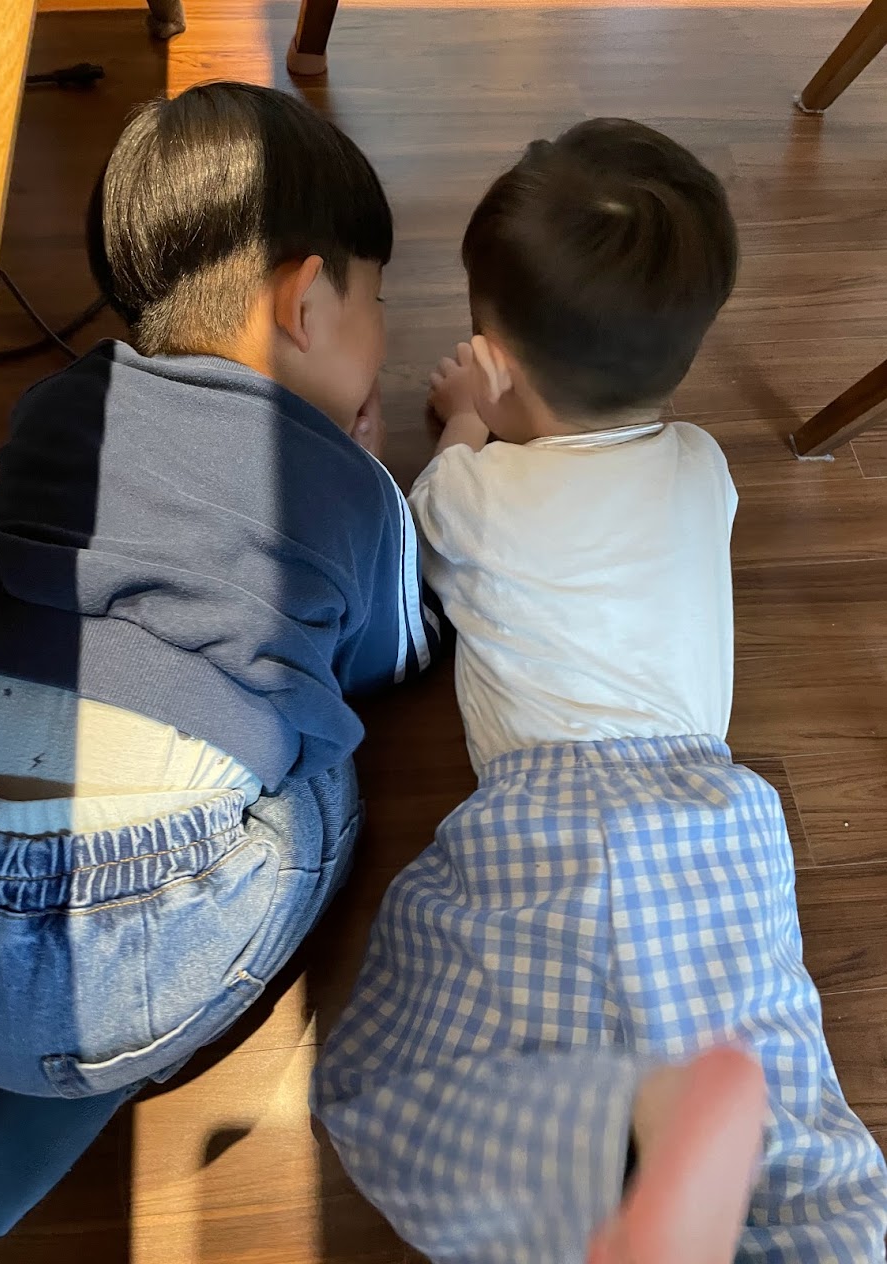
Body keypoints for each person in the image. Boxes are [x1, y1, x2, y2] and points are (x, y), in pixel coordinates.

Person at [312, 119, 887, 1262]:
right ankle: (721, 1188)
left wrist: (464, 419)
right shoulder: (704, 466)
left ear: (498, 354)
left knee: (404, 1079)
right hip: (716, 813)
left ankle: (631, 1141)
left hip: (555, 808)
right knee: (763, 1042)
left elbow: (423, 535)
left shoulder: (473, 497)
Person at [0, 82, 438, 1239]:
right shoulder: (355, 490)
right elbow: (389, 658)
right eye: (379, 301)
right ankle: (59, 1103)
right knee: (323, 766)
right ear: (307, 301)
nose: (386, 334)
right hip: (119, 941)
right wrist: (376, 485)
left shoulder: (59, 404)